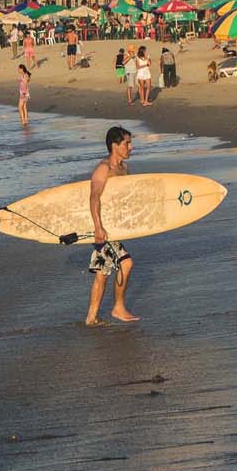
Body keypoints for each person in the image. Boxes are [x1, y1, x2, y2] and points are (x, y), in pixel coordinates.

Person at [85, 126, 138, 326]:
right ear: (115, 145)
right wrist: (98, 228)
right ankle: (118, 307)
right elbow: (94, 197)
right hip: (102, 228)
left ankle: (91, 318)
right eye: (127, 143)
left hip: (114, 227)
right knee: (126, 263)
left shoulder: (124, 169)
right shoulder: (104, 169)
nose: (131, 147)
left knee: (102, 272)